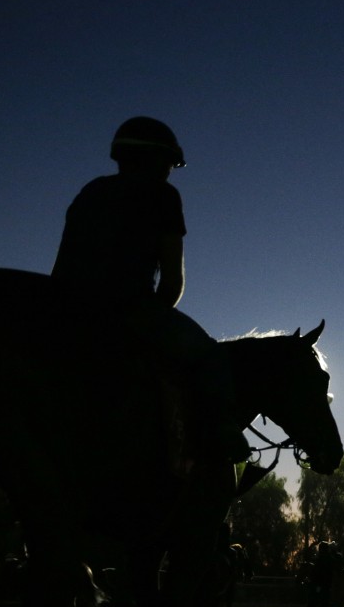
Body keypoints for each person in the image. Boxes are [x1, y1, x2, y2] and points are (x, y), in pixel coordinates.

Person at [51, 116, 247, 468]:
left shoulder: (90, 191)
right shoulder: (163, 195)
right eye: (170, 164)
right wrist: (153, 318)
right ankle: (223, 440)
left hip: (65, 308)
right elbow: (172, 282)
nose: (170, 172)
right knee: (210, 357)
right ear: (158, 160)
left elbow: (62, 264)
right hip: (128, 309)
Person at [300, 540, 337, 607]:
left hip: (318, 588)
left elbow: (318, 574)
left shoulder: (321, 559)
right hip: (325, 588)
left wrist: (316, 584)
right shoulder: (329, 560)